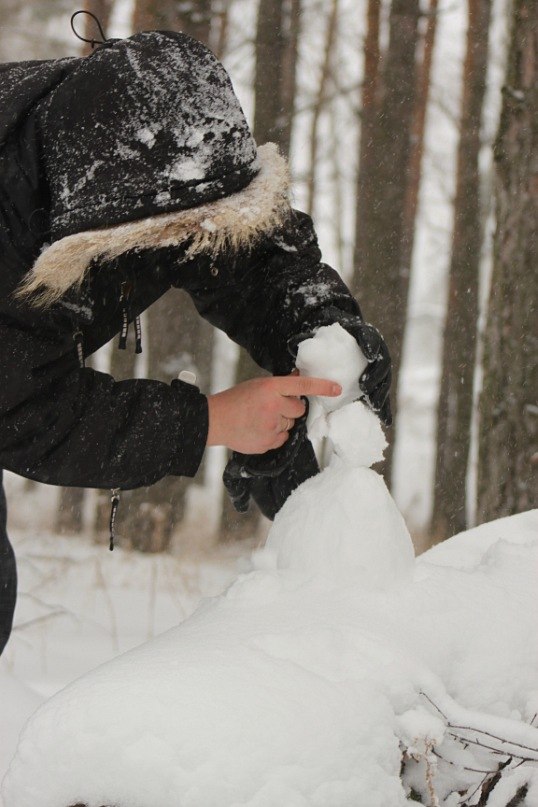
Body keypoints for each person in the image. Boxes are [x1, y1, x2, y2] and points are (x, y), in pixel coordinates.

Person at [0, 29, 391, 655]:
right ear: (110, 220)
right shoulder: (18, 212)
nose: (189, 244)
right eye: (171, 233)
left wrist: (317, 325)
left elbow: (247, 249)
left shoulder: (136, 144)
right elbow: (21, 412)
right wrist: (208, 421)